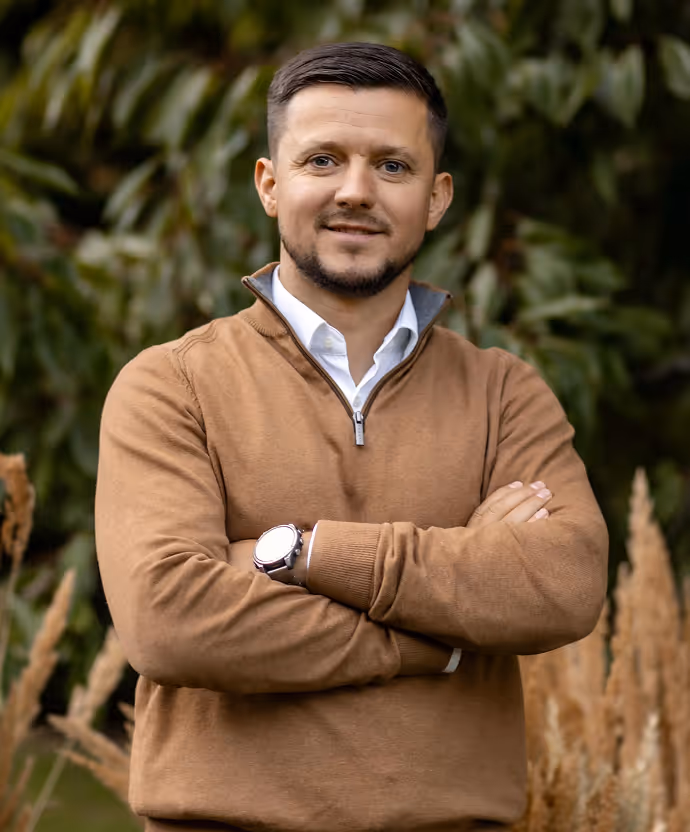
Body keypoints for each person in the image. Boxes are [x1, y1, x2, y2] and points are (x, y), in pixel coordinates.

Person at [95, 41, 608, 832]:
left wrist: (302, 553)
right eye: (322, 160)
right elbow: (169, 621)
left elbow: (564, 585)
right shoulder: (172, 385)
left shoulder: (503, 393)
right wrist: (440, 634)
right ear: (270, 184)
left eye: (392, 166)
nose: (356, 192)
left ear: (436, 197)